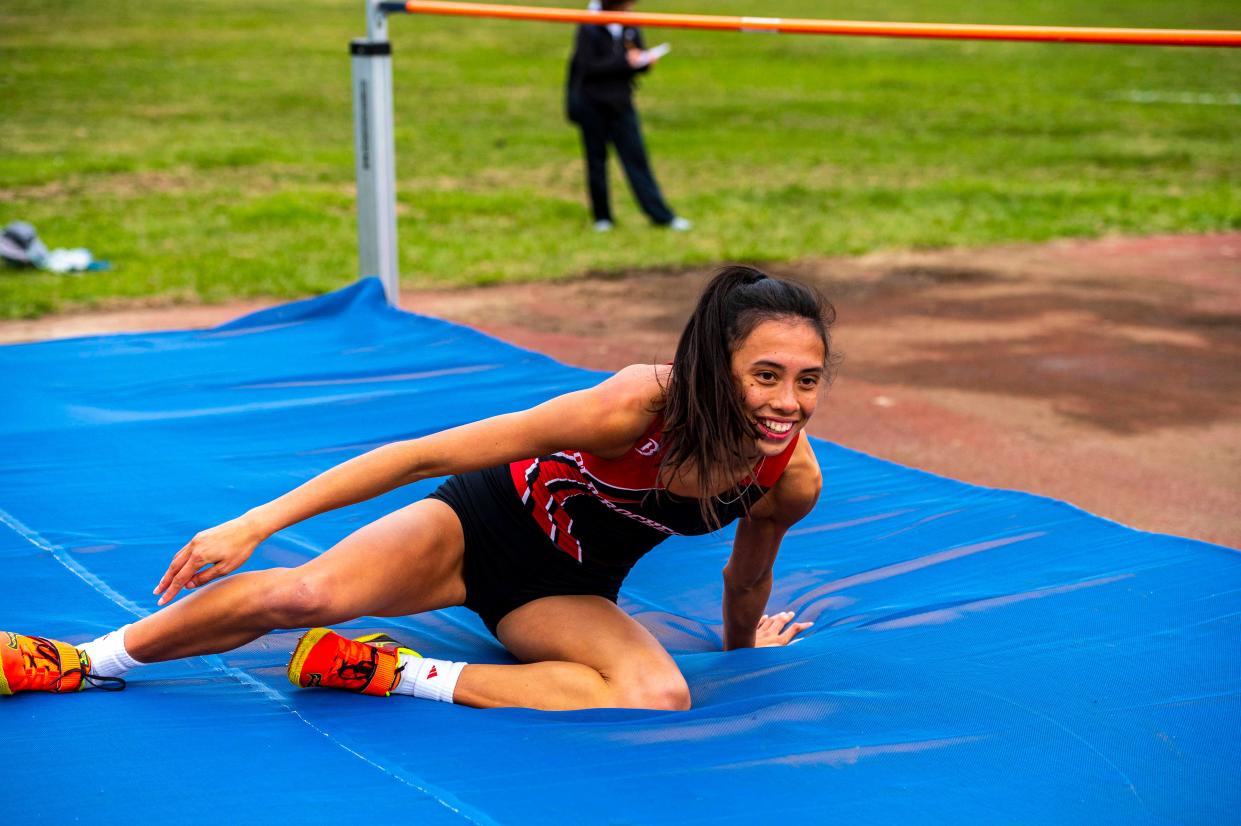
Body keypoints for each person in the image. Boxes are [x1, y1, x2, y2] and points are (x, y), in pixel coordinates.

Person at [1, 266, 833, 711]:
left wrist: (740, 654)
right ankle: (80, 659)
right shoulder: (628, 408)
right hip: (476, 526)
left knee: (656, 694)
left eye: (807, 380)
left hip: (565, 590)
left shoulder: (787, 475)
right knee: (306, 592)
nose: (786, 403)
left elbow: (747, 575)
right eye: (765, 374)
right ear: (714, 366)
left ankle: (384, 673)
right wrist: (255, 521)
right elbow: (419, 454)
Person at [566, 0, 690, 233]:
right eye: (626, 5)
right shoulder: (590, 25)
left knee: (637, 159)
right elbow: (589, 66)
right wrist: (624, 62)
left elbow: (636, 57)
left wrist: (644, 63)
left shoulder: (629, 25)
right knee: (596, 162)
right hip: (592, 105)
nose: (630, 9)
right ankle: (602, 218)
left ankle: (661, 216)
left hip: (621, 104)